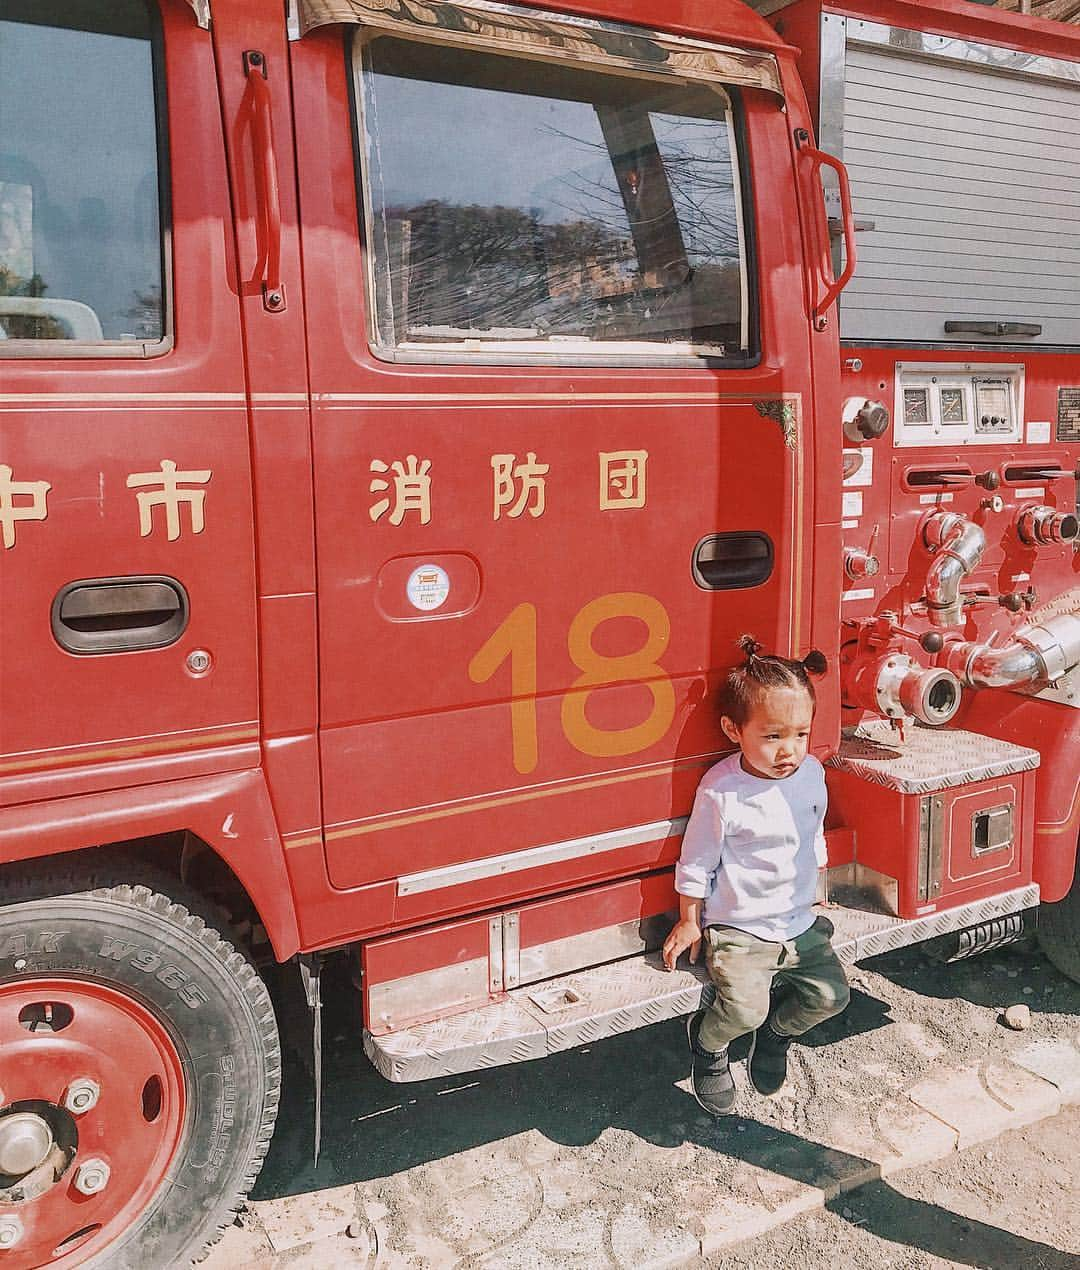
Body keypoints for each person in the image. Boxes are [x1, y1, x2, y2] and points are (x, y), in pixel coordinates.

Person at [661, 636, 850, 1115]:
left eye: (801, 734)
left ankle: (776, 1036)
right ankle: (707, 1046)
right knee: (744, 1009)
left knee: (833, 997)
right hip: (741, 930)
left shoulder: (811, 774)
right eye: (772, 736)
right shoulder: (722, 790)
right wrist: (690, 921)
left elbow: (813, 832)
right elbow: (697, 861)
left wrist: (819, 887)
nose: (790, 750)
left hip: (797, 923)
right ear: (733, 729)